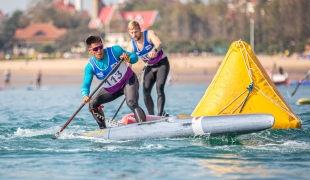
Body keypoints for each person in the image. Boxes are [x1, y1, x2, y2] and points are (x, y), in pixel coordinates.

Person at [81, 35, 146, 129]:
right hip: (112, 90)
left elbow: (135, 57)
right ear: (90, 50)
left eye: (100, 47)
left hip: (128, 81)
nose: (99, 50)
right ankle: (103, 129)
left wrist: (128, 59)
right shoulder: (90, 67)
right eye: (95, 49)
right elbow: (86, 84)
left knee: (131, 103)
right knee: (92, 104)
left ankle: (144, 127)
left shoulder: (115, 51)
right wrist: (85, 95)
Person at [126, 20, 170, 116]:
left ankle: (159, 114)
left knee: (159, 88)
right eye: (132, 33)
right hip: (149, 67)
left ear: (140, 29)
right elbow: (129, 62)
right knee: (145, 92)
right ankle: (151, 116)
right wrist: (129, 76)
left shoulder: (149, 34)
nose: (134, 35)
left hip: (162, 64)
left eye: (136, 32)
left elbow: (159, 44)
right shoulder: (131, 45)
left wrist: (155, 49)